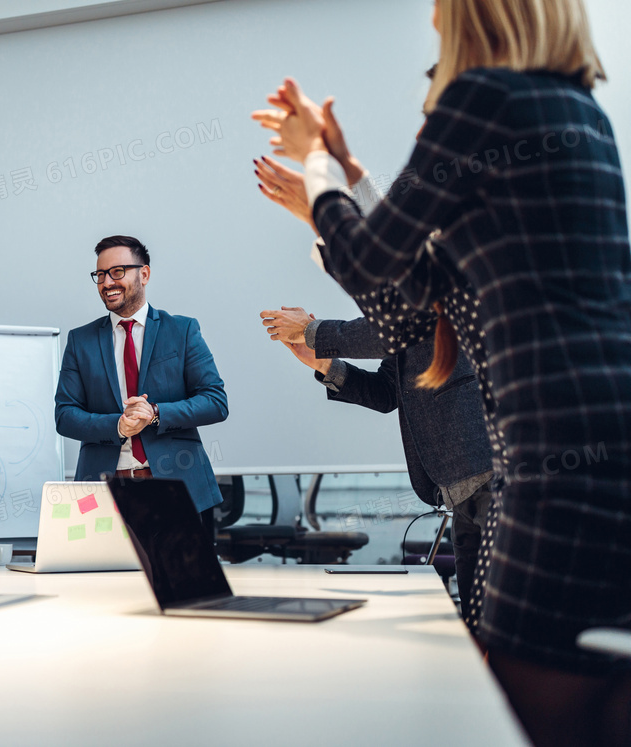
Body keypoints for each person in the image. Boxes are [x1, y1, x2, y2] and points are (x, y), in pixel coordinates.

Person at [254, 1, 631, 744]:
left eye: (441, 8)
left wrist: (321, 168)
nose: (432, 23)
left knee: (527, 700)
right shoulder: (580, 115)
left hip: (552, 463)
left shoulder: (484, 97)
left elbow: (372, 261)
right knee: (593, 692)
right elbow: (410, 308)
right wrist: (340, 184)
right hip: (599, 446)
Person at [261, 303, 493, 623]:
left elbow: (387, 332)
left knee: (501, 621)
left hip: (488, 473)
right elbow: (385, 393)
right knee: (477, 620)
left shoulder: (435, 285)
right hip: (460, 487)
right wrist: (325, 364)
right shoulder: (402, 321)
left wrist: (311, 331)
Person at [55, 235, 228, 520]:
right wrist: (118, 426)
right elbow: (65, 415)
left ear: (144, 274)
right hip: (104, 494)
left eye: (117, 272)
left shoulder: (182, 330)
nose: (107, 282)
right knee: (98, 567)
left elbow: (215, 401)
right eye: (100, 275)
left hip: (179, 490)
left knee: (183, 567)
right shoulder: (80, 341)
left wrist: (156, 413)